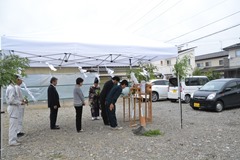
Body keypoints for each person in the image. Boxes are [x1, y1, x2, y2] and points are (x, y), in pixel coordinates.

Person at [5, 75, 26, 146]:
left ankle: (14, 138)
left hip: (14, 108)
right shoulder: (11, 88)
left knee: (15, 124)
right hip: (13, 108)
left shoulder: (12, 87)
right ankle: (12, 141)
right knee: (13, 125)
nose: (20, 81)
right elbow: (11, 100)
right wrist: (20, 102)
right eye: (18, 79)